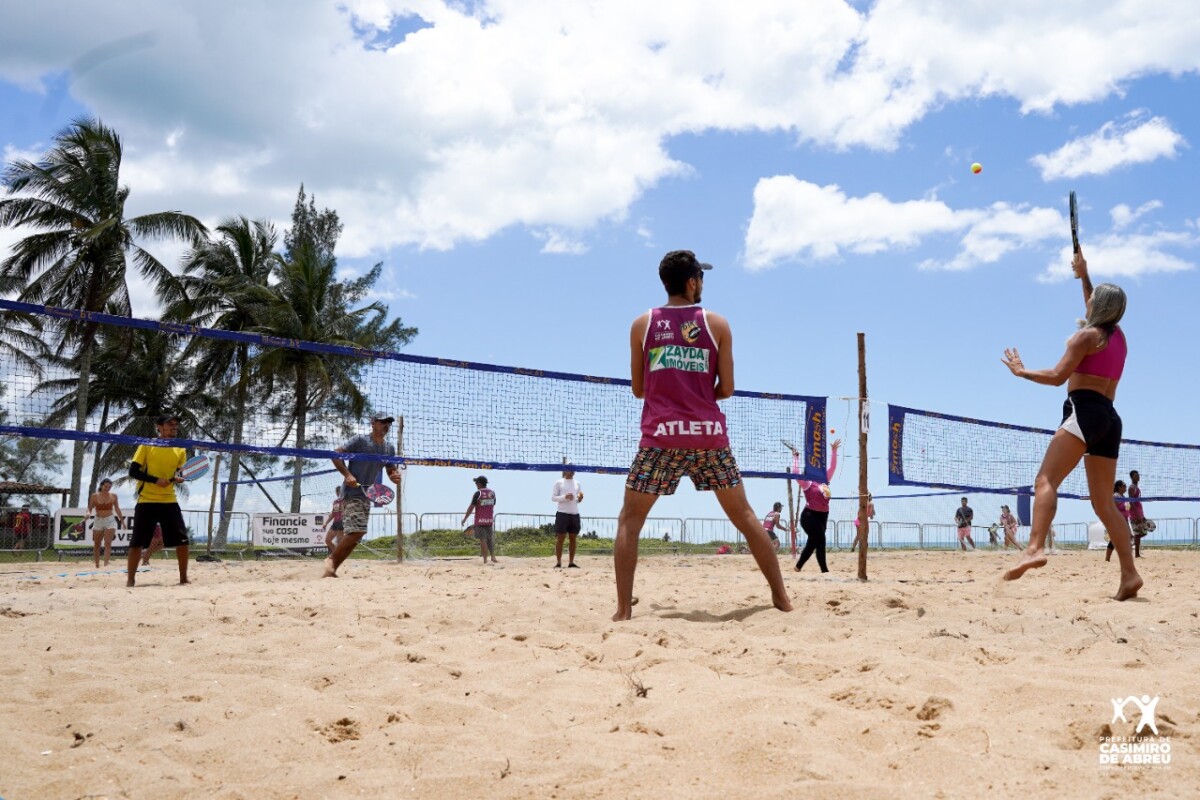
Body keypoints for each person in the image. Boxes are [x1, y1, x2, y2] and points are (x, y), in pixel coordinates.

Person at [611, 250, 792, 621]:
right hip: (709, 436)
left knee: (630, 521)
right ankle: (782, 600)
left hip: (661, 437)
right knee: (745, 516)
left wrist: (671, 385)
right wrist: (697, 388)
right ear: (692, 281)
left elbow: (639, 389)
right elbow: (726, 389)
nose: (703, 285)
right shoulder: (718, 324)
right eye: (701, 278)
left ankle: (622, 612)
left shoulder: (642, 325)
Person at [1001, 247, 1142, 600]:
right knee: (1104, 504)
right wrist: (1084, 274)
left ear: (1097, 307)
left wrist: (1021, 372)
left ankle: (1034, 548)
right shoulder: (1118, 338)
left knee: (1046, 479)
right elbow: (1095, 306)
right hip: (1110, 419)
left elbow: (1056, 375)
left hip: (1085, 411)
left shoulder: (1084, 337)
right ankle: (1129, 574)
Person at [326, 414, 401, 577]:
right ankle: (331, 561)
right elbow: (335, 455)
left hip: (368, 494)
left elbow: (390, 468)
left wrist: (394, 475)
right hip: (351, 492)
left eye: (389, 423)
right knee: (356, 532)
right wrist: (347, 475)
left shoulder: (389, 448)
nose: (386, 426)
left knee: (357, 535)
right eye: (383, 422)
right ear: (373, 423)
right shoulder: (360, 440)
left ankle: (331, 570)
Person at [126, 413, 190, 587]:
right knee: (137, 542)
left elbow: (179, 472)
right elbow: (133, 472)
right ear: (159, 427)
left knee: (183, 541)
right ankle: (130, 580)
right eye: (170, 424)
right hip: (147, 500)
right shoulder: (147, 445)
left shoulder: (180, 449)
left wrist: (179, 477)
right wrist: (155, 480)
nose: (174, 427)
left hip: (169, 500)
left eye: (176, 425)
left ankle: (183, 579)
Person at [794, 439, 842, 572]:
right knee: (821, 540)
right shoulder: (808, 482)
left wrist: (834, 450)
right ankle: (824, 570)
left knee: (812, 543)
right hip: (809, 516)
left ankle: (798, 567)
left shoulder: (824, 479)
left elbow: (832, 467)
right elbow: (796, 474)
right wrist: (796, 458)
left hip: (823, 516)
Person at [86, 479, 124, 567]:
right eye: (106, 486)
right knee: (97, 543)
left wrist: (122, 521)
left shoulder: (113, 496)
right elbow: (90, 507)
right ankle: (97, 564)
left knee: (107, 542)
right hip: (98, 520)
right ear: (101, 485)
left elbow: (117, 509)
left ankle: (106, 564)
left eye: (109, 487)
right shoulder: (94, 496)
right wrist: (88, 513)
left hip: (110, 520)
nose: (107, 488)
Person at [551, 467, 583, 568]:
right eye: (570, 469)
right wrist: (564, 497)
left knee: (573, 538)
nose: (572, 471)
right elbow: (553, 498)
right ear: (565, 470)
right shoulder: (559, 482)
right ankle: (558, 562)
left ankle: (571, 562)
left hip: (574, 513)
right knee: (560, 538)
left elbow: (577, 499)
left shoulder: (577, 483)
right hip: (562, 513)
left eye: (573, 469)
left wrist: (580, 499)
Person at [462, 476, 498, 564]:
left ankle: (485, 560)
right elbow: (493, 505)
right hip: (489, 520)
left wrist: (465, 518)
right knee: (490, 539)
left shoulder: (478, 493)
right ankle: (493, 557)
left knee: (483, 540)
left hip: (480, 521)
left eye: (476, 483)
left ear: (479, 483)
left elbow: (471, 508)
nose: (475, 485)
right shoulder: (492, 493)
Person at [1106, 480, 1133, 563]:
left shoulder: (1123, 497)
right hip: (1117, 520)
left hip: (1124, 520)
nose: (1126, 487)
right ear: (1119, 487)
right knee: (1114, 540)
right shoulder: (1115, 496)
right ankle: (1107, 558)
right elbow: (1112, 508)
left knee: (1128, 537)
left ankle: (1125, 558)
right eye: (1124, 485)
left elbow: (1126, 508)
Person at [1127, 469, 1151, 557]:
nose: (1138, 477)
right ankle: (1137, 554)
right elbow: (1131, 502)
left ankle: (1132, 541)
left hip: (1139, 513)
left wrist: (1142, 515)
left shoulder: (1137, 488)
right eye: (1136, 475)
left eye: (1138, 475)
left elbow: (1137, 502)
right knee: (1138, 534)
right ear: (1131, 477)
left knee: (1143, 533)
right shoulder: (1131, 488)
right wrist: (1137, 514)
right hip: (1134, 514)